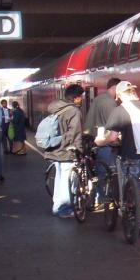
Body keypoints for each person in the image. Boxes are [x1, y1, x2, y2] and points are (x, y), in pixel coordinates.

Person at [96, 81, 140, 235]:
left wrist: (100, 141)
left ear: (119, 96)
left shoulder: (119, 110)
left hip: (130, 155)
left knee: (134, 190)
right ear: (133, 92)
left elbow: (112, 137)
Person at [44, 84, 85, 218]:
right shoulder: (74, 111)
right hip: (67, 151)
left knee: (59, 179)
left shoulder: (55, 108)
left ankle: (56, 207)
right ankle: (65, 209)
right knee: (68, 181)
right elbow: (75, 134)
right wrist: (79, 152)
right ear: (76, 97)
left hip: (54, 150)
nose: (82, 99)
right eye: (81, 97)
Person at [84, 77, 120, 207]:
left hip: (93, 139)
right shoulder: (110, 102)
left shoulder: (100, 98)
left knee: (99, 170)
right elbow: (113, 124)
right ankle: (102, 197)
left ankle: (96, 197)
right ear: (115, 88)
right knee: (104, 171)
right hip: (104, 142)